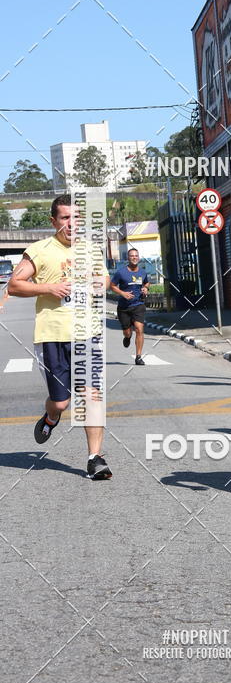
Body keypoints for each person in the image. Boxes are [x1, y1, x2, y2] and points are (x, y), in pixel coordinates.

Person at [7, 193, 112, 480]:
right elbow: (14, 285)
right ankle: (52, 416)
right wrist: (49, 288)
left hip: (87, 334)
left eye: (76, 218)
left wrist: (97, 284)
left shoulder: (90, 250)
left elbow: (104, 279)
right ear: (54, 221)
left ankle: (95, 458)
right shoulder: (40, 250)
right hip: (52, 335)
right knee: (62, 401)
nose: (71, 223)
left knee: (91, 396)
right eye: (65, 218)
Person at [110, 248, 149, 366]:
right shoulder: (121, 272)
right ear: (128, 258)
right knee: (128, 332)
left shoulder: (142, 272)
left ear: (139, 257)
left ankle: (138, 357)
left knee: (139, 329)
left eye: (136, 255)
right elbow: (112, 286)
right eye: (132, 256)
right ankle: (127, 337)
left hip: (138, 305)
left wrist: (146, 288)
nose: (134, 257)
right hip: (124, 307)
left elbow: (146, 282)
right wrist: (122, 293)